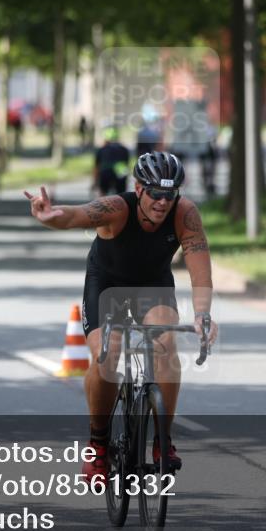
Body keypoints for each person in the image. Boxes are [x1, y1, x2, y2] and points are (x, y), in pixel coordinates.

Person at [24, 152, 218, 483]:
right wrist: (51, 215)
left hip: (151, 285)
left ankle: (162, 441)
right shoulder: (117, 208)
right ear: (139, 188)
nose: (162, 202)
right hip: (107, 283)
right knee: (107, 353)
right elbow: (76, 216)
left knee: (166, 344)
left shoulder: (185, 214)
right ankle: (99, 445)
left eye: (169, 195)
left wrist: (202, 315)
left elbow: (199, 264)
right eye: (155, 193)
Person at [92, 126, 130, 196]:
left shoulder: (102, 149)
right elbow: (126, 166)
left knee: (103, 195)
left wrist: (95, 182)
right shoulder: (124, 149)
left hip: (105, 172)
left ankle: (102, 205)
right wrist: (126, 181)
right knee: (121, 196)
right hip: (120, 172)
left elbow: (97, 167)